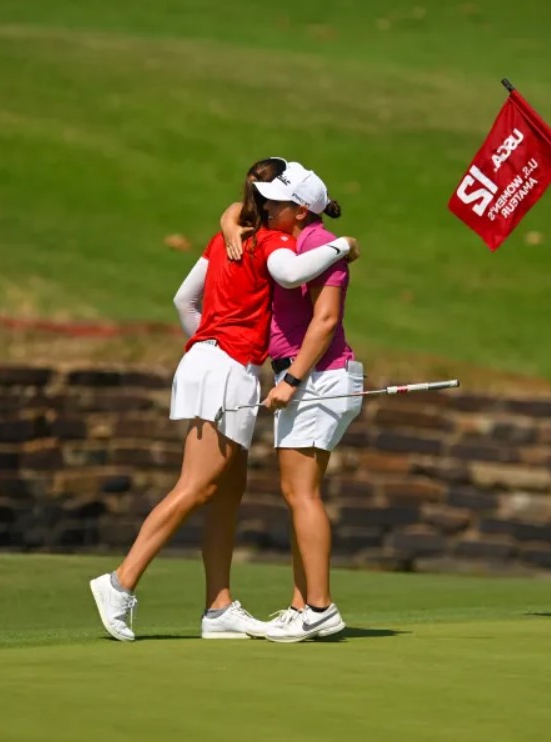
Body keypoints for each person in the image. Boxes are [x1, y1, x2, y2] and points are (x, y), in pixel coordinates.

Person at [89, 159, 358, 641]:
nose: (265, 201)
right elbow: (294, 274)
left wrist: (207, 345)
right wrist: (345, 245)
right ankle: (119, 582)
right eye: (267, 197)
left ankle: (219, 608)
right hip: (227, 368)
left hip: (211, 362)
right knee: (195, 485)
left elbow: (182, 301)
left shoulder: (226, 237)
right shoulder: (275, 241)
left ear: (298, 208)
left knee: (226, 491)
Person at [218, 168, 360, 642]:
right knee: (297, 493)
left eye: (275, 204)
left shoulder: (321, 244)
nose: (265, 210)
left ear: (300, 210)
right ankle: (301, 606)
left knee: (302, 494)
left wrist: (292, 380)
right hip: (304, 377)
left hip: (318, 376)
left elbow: (325, 320)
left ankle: (320, 607)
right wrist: (227, 221)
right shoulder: (293, 240)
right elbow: (238, 212)